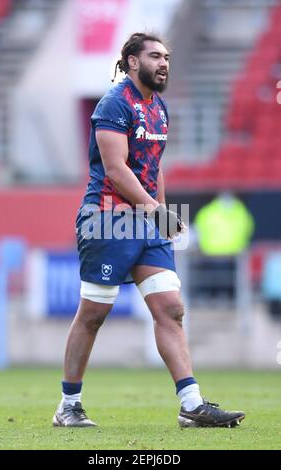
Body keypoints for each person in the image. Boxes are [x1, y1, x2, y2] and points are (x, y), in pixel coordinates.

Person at [53, 33, 245, 428]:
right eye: (155, 56)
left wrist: (163, 214)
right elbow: (116, 170)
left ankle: (191, 405)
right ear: (132, 61)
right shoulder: (113, 103)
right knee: (93, 314)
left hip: (146, 220)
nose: (164, 63)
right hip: (107, 218)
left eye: (167, 57)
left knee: (171, 309)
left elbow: (154, 168)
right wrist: (156, 210)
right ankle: (68, 406)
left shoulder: (159, 108)